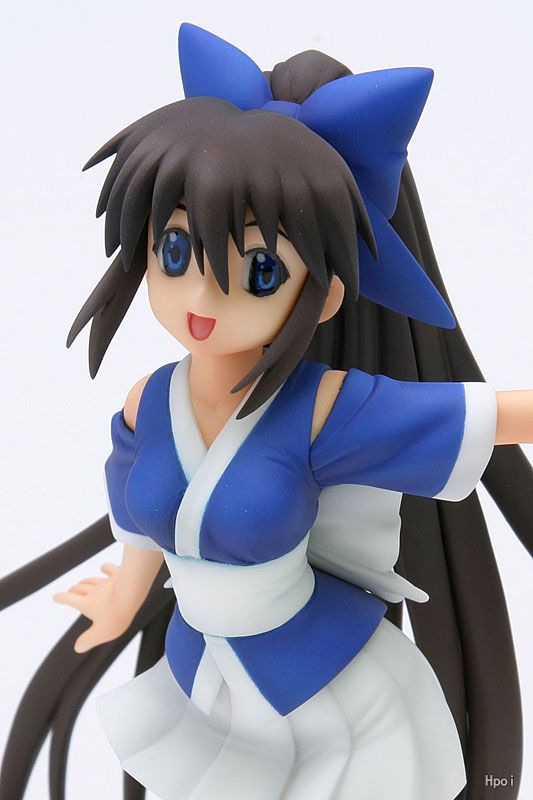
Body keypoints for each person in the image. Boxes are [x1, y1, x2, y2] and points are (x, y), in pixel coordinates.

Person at [1, 22, 531, 800]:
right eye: (175, 252)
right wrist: (122, 597)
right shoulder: (148, 402)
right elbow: (142, 522)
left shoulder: (320, 412)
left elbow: (494, 417)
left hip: (326, 691)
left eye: (257, 270)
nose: (201, 297)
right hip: (206, 679)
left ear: (327, 292)